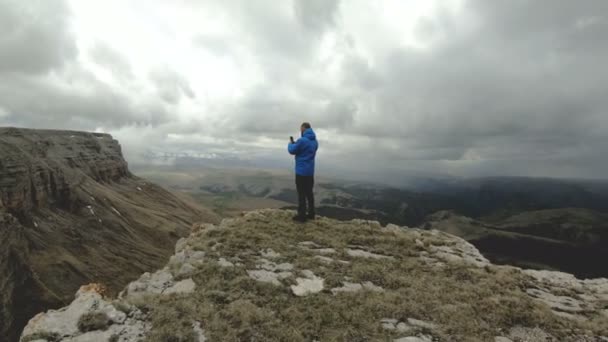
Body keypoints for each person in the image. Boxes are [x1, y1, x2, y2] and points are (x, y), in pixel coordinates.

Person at [287, 122, 318, 222]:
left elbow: (292, 151)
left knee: (301, 194)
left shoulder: (302, 140)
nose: (300, 131)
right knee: (309, 193)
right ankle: (311, 214)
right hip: (310, 172)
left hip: (301, 172)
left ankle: (302, 216)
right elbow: (305, 150)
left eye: (301, 129)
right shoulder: (315, 142)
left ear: (304, 129)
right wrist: (298, 144)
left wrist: (290, 144)